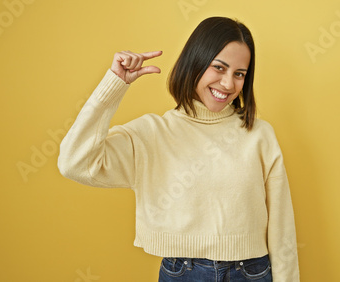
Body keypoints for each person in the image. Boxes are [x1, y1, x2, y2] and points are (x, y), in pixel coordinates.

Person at [58, 16, 300, 281]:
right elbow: (74, 163)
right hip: (183, 273)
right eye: (219, 68)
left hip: (252, 272)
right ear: (195, 62)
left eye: (239, 74)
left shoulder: (260, 135)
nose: (229, 84)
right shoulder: (152, 134)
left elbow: (281, 226)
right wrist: (114, 84)